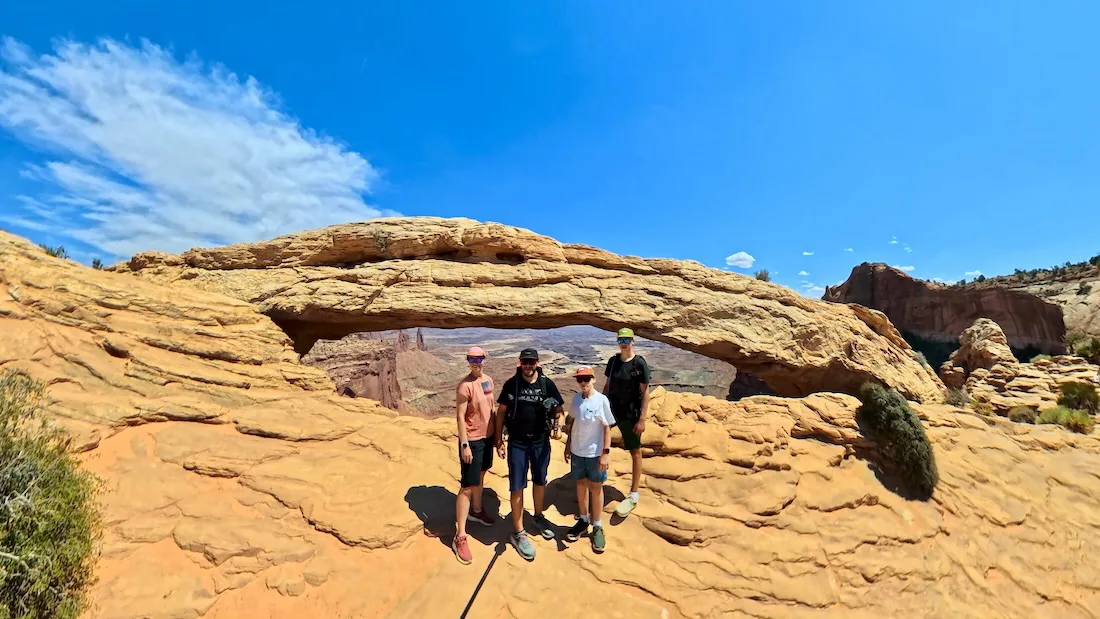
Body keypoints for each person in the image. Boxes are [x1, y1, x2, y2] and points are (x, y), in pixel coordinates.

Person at [494, 348, 564, 561]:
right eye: (525, 361)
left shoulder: (546, 384)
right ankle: (518, 531)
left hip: (540, 442)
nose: (528, 365)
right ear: (520, 362)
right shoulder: (511, 384)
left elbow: (559, 410)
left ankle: (538, 516)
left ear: (537, 363)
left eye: (531, 361)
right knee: (517, 485)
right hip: (517, 443)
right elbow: (501, 414)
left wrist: (558, 426)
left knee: (540, 481)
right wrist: (498, 440)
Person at [452, 346, 497, 565]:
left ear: (484, 360)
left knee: (480, 474)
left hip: (487, 438)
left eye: (479, 358)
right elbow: (460, 417)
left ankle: (477, 511)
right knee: (467, 485)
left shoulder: (488, 380)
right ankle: (460, 535)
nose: (475, 362)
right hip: (473, 440)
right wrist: (465, 445)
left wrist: (498, 438)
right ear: (467, 360)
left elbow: (492, 408)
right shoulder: (464, 386)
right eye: (472, 359)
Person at [563, 366, 613, 553]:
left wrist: (605, 452)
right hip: (578, 451)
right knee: (581, 485)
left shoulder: (601, 400)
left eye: (586, 379)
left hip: (595, 453)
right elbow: (573, 422)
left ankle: (597, 525)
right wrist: (568, 445)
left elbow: (607, 427)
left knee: (596, 487)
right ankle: (583, 520)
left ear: (593, 379)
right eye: (580, 379)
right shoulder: (576, 399)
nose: (583, 382)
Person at [603, 327, 651, 518]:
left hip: (631, 414)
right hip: (612, 410)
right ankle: (596, 480)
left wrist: (642, 419)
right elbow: (607, 386)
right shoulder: (613, 361)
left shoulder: (639, 363)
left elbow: (645, 392)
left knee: (635, 450)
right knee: (600, 442)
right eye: (620, 340)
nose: (623, 343)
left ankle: (633, 493)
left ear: (633, 341)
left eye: (627, 339)